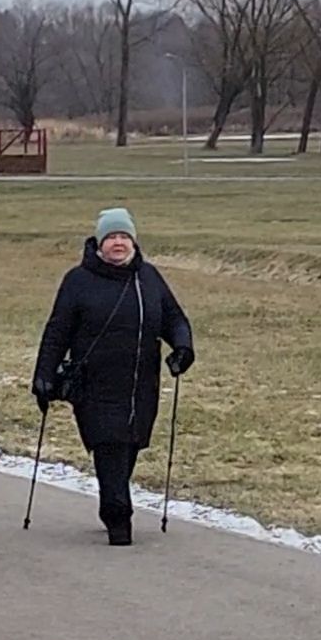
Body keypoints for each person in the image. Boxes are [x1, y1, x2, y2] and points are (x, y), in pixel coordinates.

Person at [32, 207, 194, 546]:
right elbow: (57, 331)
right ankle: (118, 515)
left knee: (128, 446)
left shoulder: (148, 278)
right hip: (94, 386)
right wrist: (43, 375)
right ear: (99, 243)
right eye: (111, 237)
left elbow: (174, 317)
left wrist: (182, 347)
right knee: (110, 446)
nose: (118, 243)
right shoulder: (77, 280)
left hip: (139, 386)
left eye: (124, 236)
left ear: (133, 241)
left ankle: (113, 496)